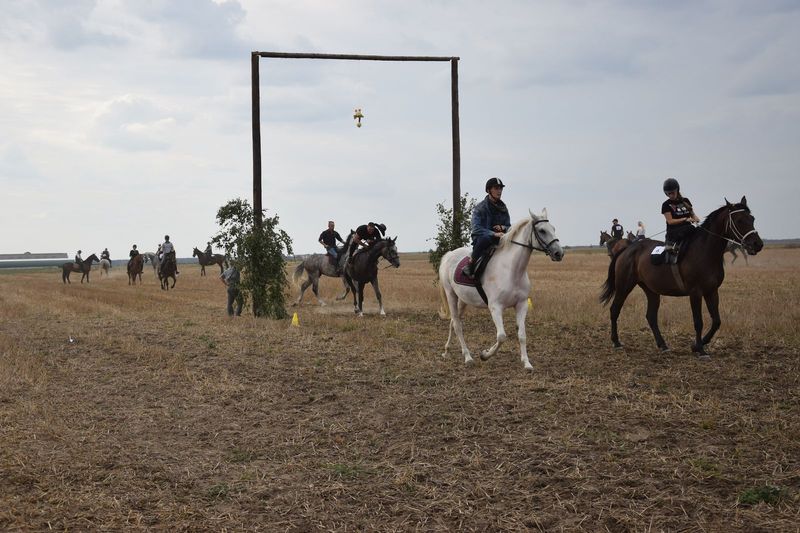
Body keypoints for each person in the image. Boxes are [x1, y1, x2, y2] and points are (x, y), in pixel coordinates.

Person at [462, 177, 511, 278]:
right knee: (486, 238)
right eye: (496, 188)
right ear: (489, 190)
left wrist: (503, 227)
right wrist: (494, 233)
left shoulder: (503, 208)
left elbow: (509, 226)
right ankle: (471, 264)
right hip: (482, 239)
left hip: (501, 239)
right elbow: (476, 228)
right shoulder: (480, 208)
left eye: (500, 188)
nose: (499, 191)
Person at [661, 178, 699, 263]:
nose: (671, 195)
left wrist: (695, 218)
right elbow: (670, 221)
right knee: (691, 228)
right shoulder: (666, 205)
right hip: (674, 232)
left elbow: (692, 214)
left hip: (687, 229)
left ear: (677, 190)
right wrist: (685, 219)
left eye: (673, 192)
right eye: (668, 193)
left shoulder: (685, 201)